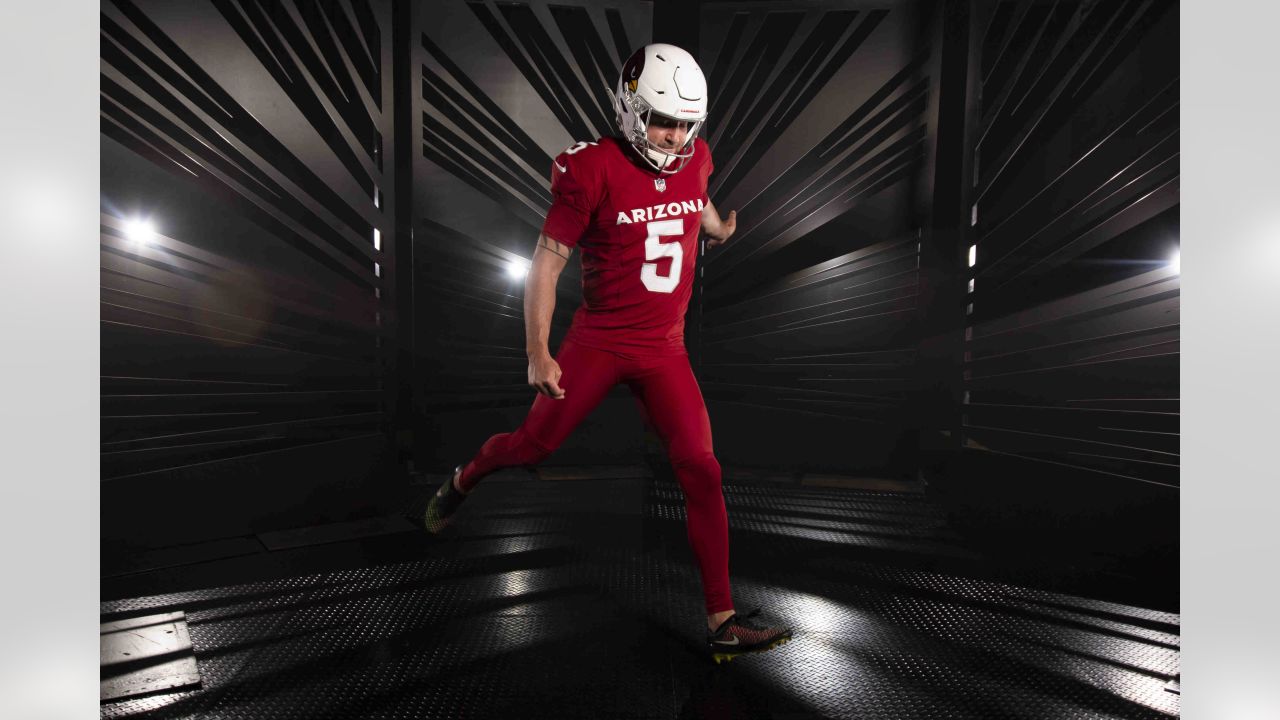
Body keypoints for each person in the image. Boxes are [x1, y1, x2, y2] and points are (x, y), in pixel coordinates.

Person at [419, 43, 791, 662]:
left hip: (664, 349)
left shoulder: (694, 156)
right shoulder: (590, 169)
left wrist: (719, 228)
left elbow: (689, 195)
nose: (673, 137)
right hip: (601, 340)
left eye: (683, 124)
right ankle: (464, 479)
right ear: (628, 108)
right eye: (661, 120)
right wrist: (538, 350)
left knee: (703, 468)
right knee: (533, 445)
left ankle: (722, 622)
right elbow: (546, 264)